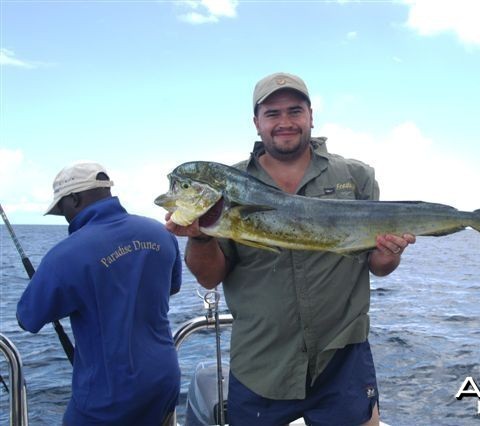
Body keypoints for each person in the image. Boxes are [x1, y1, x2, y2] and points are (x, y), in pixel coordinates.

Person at [165, 72, 415, 426]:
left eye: (294, 111)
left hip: (341, 358)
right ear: (256, 123)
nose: (285, 122)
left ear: (311, 116)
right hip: (262, 365)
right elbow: (209, 277)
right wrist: (201, 235)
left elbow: (377, 264)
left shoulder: (356, 176)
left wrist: (390, 255)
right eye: (272, 114)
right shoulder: (230, 184)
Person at [16, 162, 182, 425]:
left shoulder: (65, 255)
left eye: (63, 209)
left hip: (109, 398)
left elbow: (28, 317)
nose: (66, 217)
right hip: (164, 379)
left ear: (75, 198)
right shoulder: (160, 233)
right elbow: (172, 286)